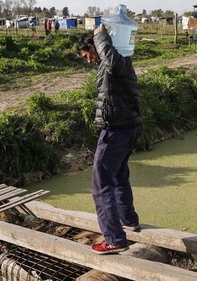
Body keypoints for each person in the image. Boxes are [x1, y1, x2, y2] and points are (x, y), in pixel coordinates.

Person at [76, 23, 142, 255]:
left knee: (101, 183)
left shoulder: (115, 62)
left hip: (116, 130)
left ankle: (113, 238)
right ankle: (128, 219)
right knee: (119, 175)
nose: (88, 61)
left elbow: (110, 60)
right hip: (127, 127)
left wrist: (100, 35)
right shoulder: (121, 63)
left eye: (87, 55)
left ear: (96, 47)